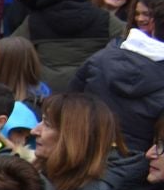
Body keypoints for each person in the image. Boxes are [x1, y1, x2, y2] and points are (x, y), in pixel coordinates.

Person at [69, 9, 164, 152]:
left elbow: (70, 99)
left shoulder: (101, 57)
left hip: (79, 146)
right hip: (132, 161)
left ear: (152, 25)